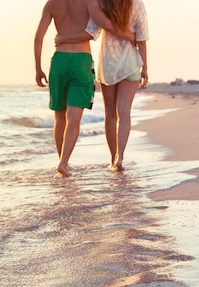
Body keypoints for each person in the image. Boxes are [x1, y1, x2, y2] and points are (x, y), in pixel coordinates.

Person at [34, 0, 135, 177]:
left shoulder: (51, 4)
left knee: (59, 115)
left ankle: (62, 161)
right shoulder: (89, 2)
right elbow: (104, 26)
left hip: (59, 60)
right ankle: (63, 163)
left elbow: (38, 37)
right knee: (74, 118)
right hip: (81, 61)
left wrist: (38, 68)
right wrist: (129, 36)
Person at [56, 0, 148, 172]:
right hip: (131, 63)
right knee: (124, 112)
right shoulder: (138, 4)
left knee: (110, 114)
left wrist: (64, 38)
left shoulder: (103, 4)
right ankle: (120, 157)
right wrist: (145, 68)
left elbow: (91, 32)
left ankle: (113, 158)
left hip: (108, 64)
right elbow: (141, 39)